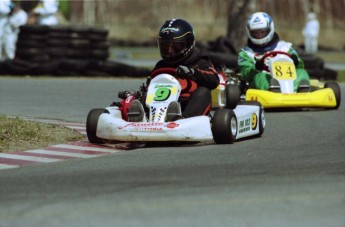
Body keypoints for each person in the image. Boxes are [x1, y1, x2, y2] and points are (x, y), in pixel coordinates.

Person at [127, 18, 220, 122]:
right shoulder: (161, 65)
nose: (170, 51)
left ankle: (181, 119)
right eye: (165, 47)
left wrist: (192, 73)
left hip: (186, 104)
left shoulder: (200, 61)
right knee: (142, 94)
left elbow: (214, 80)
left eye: (175, 47)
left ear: (188, 44)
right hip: (157, 106)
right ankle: (139, 117)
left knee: (203, 92)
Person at [238, 12, 310, 92]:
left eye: (262, 32)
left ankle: (300, 92)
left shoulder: (285, 47)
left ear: (270, 29)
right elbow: (245, 72)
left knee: (302, 72)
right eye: (255, 33)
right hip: (264, 81)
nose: (259, 36)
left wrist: (296, 61)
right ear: (250, 32)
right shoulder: (246, 53)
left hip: (288, 78)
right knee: (260, 77)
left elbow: (300, 66)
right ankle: (273, 90)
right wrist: (256, 68)